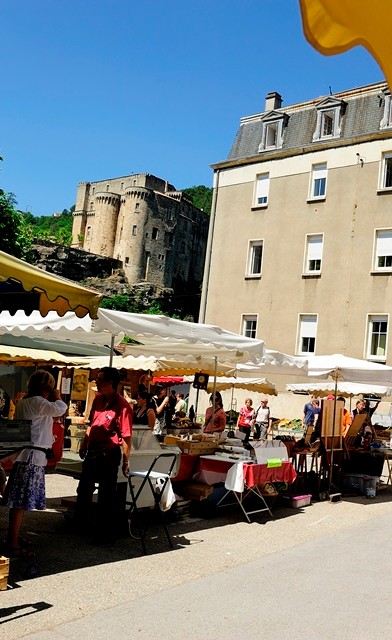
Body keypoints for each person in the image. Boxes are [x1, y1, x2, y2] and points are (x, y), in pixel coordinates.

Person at [4, 370, 67, 557]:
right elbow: (61, 408)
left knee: (19, 502)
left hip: (25, 455)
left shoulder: (24, 402)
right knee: (20, 503)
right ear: (45, 386)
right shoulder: (39, 402)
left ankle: (12, 537)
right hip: (32, 457)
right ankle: (12, 541)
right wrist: (56, 395)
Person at [75, 367, 132, 544]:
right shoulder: (98, 399)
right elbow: (91, 424)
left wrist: (126, 460)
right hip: (93, 450)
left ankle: (105, 532)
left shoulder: (122, 406)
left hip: (109, 453)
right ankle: (81, 525)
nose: (96, 382)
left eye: (99, 379)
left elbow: (127, 437)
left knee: (107, 494)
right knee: (84, 488)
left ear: (110, 383)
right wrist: (84, 443)